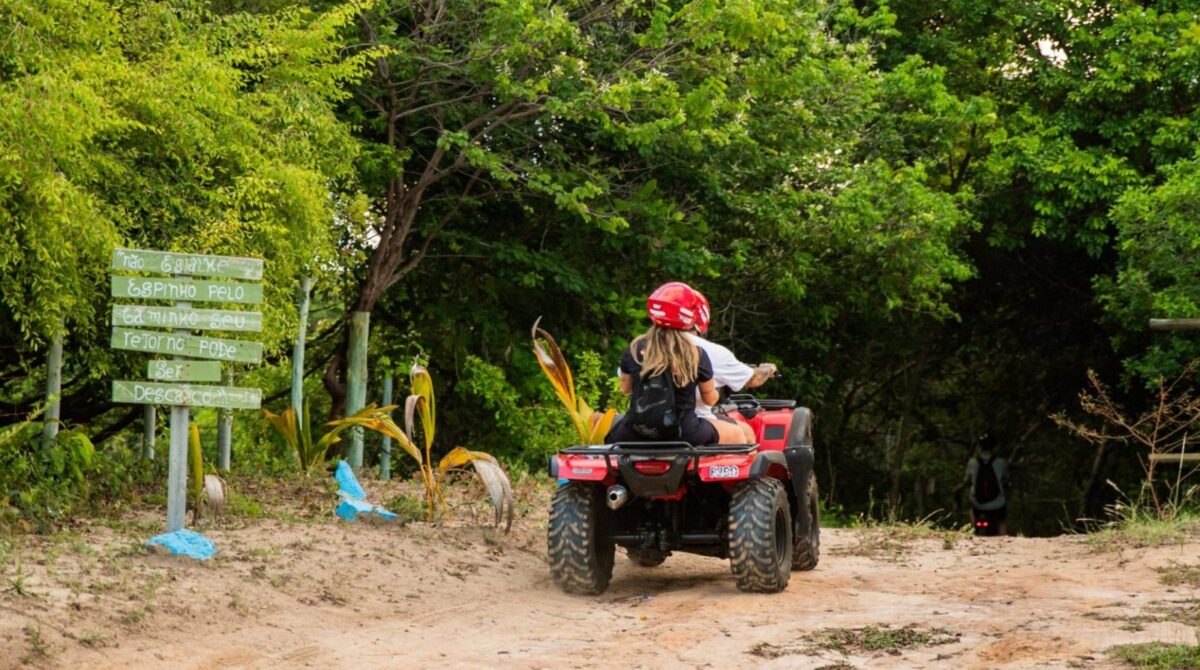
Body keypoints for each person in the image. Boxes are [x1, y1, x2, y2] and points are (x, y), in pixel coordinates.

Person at [605, 283, 721, 446]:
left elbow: (625, 390)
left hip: (636, 434)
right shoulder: (695, 353)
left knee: (609, 433)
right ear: (687, 317)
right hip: (684, 434)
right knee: (737, 433)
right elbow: (709, 400)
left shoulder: (634, 349)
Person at [684, 289, 778, 443]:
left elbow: (628, 388)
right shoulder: (706, 351)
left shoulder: (642, 347)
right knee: (746, 432)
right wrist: (768, 369)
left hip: (642, 425)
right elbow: (752, 379)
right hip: (690, 425)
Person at [960, 435, 1010, 536]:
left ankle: (973, 530)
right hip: (997, 504)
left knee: (971, 505)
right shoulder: (1001, 462)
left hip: (977, 503)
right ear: (994, 447)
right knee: (1002, 520)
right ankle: (1003, 539)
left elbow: (967, 480)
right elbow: (1006, 479)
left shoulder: (972, 462)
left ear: (980, 447)